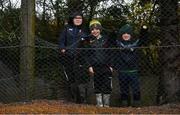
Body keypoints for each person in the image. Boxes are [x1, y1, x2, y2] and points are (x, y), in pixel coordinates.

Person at [113, 24, 149, 107]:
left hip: (133, 71)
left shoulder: (136, 44)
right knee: (124, 90)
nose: (126, 35)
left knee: (136, 89)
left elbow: (143, 39)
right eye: (124, 33)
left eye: (128, 33)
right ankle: (125, 105)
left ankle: (137, 105)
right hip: (122, 71)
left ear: (131, 35)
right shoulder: (118, 44)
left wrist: (144, 30)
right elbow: (111, 39)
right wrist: (113, 32)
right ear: (121, 35)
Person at [59, 11, 88, 103]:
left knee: (81, 78)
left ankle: (82, 100)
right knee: (70, 77)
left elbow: (88, 42)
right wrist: (62, 48)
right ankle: (73, 99)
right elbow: (61, 40)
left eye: (80, 18)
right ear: (73, 19)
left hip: (81, 58)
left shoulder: (85, 29)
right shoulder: (67, 28)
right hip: (68, 56)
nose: (78, 20)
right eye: (76, 18)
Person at [86, 19, 113, 107]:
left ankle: (106, 105)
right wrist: (89, 66)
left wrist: (111, 65)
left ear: (100, 29)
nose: (95, 31)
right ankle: (99, 105)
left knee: (107, 85)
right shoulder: (88, 41)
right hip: (95, 67)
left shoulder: (106, 39)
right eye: (93, 29)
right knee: (97, 85)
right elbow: (87, 55)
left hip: (106, 66)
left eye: (97, 29)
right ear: (90, 31)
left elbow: (111, 53)